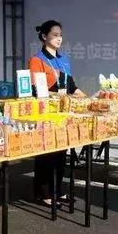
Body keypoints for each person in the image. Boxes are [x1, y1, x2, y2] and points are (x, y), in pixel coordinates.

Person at [28, 20, 85, 208]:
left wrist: (86, 98)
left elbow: (72, 86)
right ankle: (43, 193)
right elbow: (36, 90)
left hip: (63, 113)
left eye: (60, 35)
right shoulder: (37, 60)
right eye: (55, 35)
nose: (59, 38)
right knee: (46, 154)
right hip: (46, 113)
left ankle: (57, 190)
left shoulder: (64, 60)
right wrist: (59, 96)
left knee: (61, 153)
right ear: (44, 36)